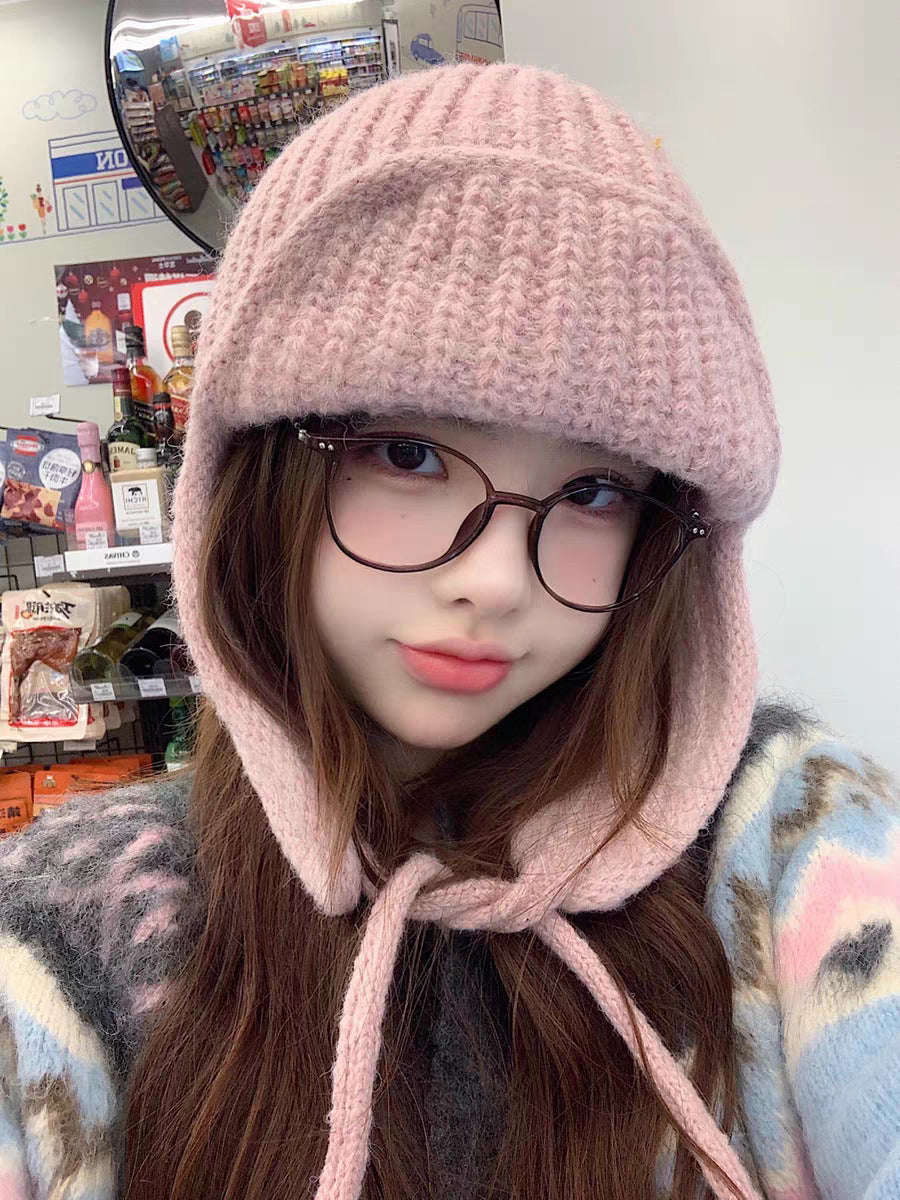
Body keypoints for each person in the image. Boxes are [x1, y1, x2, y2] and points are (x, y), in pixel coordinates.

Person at [0, 62, 896, 1200]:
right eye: (409, 454)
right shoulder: (71, 922)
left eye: (594, 493)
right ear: (256, 476)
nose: (494, 582)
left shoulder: (792, 841)